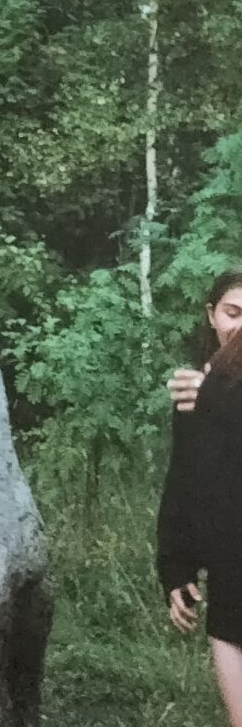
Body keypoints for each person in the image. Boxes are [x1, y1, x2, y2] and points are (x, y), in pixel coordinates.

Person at [157, 265, 242, 726]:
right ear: (212, 315)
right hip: (231, 578)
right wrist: (176, 566)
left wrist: (214, 398)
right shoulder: (197, 389)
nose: (241, 327)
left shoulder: (204, 392)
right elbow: (184, 480)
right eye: (233, 312)